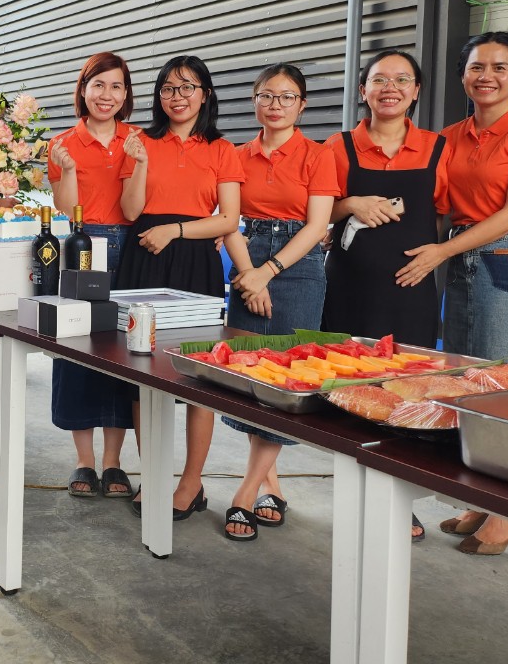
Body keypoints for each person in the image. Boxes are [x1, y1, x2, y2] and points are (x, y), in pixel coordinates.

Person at [399, 32, 508, 556]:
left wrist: (441, 253)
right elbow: (436, 204)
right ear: (463, 75)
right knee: (474, 383)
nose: (485, 76)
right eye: (475, 67)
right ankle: (490, 498)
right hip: (465, 255)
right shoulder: (449, 136)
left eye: (498, 67)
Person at [322, 49, 451, 543]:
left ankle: (400, 500)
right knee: (346, 392)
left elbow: (449, 214)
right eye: (379, 79)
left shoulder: (438, 149)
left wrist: (437, 254)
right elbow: (317, 212)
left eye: (402, 80)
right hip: (350, 290)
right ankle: (354, 494)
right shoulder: (338, 147)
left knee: (406, 394)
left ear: (416, 91)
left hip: (412, 293)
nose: (390, 88)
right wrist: (351, 204)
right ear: (363, 91)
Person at [117, 55, 242, 518]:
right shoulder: (140, 140)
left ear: (205, 94)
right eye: (169, 88)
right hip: (142, 257)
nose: (177, 96)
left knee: (197, 374)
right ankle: (151, 474)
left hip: (193, 261)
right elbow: (131, 212)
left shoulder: (221, 149)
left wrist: (177, 230)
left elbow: (228, 219)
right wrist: (142, 164)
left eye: (188, 87)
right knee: (142, 372)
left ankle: (191, 483)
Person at [220, 64, 336, 542]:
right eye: (267, 95)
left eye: (287, 97)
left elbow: (317, 226)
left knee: (285, 377)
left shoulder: (317, 154)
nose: (275, 105)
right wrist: (249, 274)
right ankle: (272, 483)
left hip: (298, 265)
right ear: (254, 101)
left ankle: (245, 493)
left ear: (302, 105)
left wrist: (268, 272)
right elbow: (229, 219)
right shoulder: (235, 155)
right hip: (245, 253)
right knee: (248, 375)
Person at [47, 51, 137, 499]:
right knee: (77, 346)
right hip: (81, 246)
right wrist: (66, 169)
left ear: (126, 93)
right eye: (98, 85)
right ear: (83, 90)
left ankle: (113, 462)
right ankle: (83, 460)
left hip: (129, 247)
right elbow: (67, 210)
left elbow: (137, 205)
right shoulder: (63, 143)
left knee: (120, 352)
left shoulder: (137, 140)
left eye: (116, 86)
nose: (107, 95)